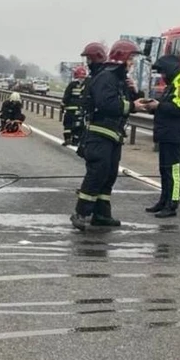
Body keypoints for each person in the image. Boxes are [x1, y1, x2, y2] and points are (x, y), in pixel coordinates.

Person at [70, 39, 147, 231]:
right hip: (99, 135)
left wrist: (135, 93)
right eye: (131, 59)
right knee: (98, 173)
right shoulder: (107, 77)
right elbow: (106, 103)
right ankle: (81, 213)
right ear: (122, 57)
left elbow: (127, 102)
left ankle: (102, 215)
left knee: (109, 175)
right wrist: (132, 106)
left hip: (113, 136)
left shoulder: (118, 79)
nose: (133, 63)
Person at [141, 54, 180, 218]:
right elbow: (167, 105)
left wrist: (159, 106)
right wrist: (152, 106)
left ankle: (172, 204)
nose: (162, 76)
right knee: (164, 170)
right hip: (165, 133)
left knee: (174, 171)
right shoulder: (173, 84)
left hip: (174, 134)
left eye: (163, 72)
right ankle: (163, 201)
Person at [61, 65, 87, 144]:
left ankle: (67, 139)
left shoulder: (72, 84)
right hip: (81, 110)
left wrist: (62, 105)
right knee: (79, 125)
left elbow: (67, 96)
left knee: (68, 124)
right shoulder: (87, 85)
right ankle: (76, 140)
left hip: (70, 110)